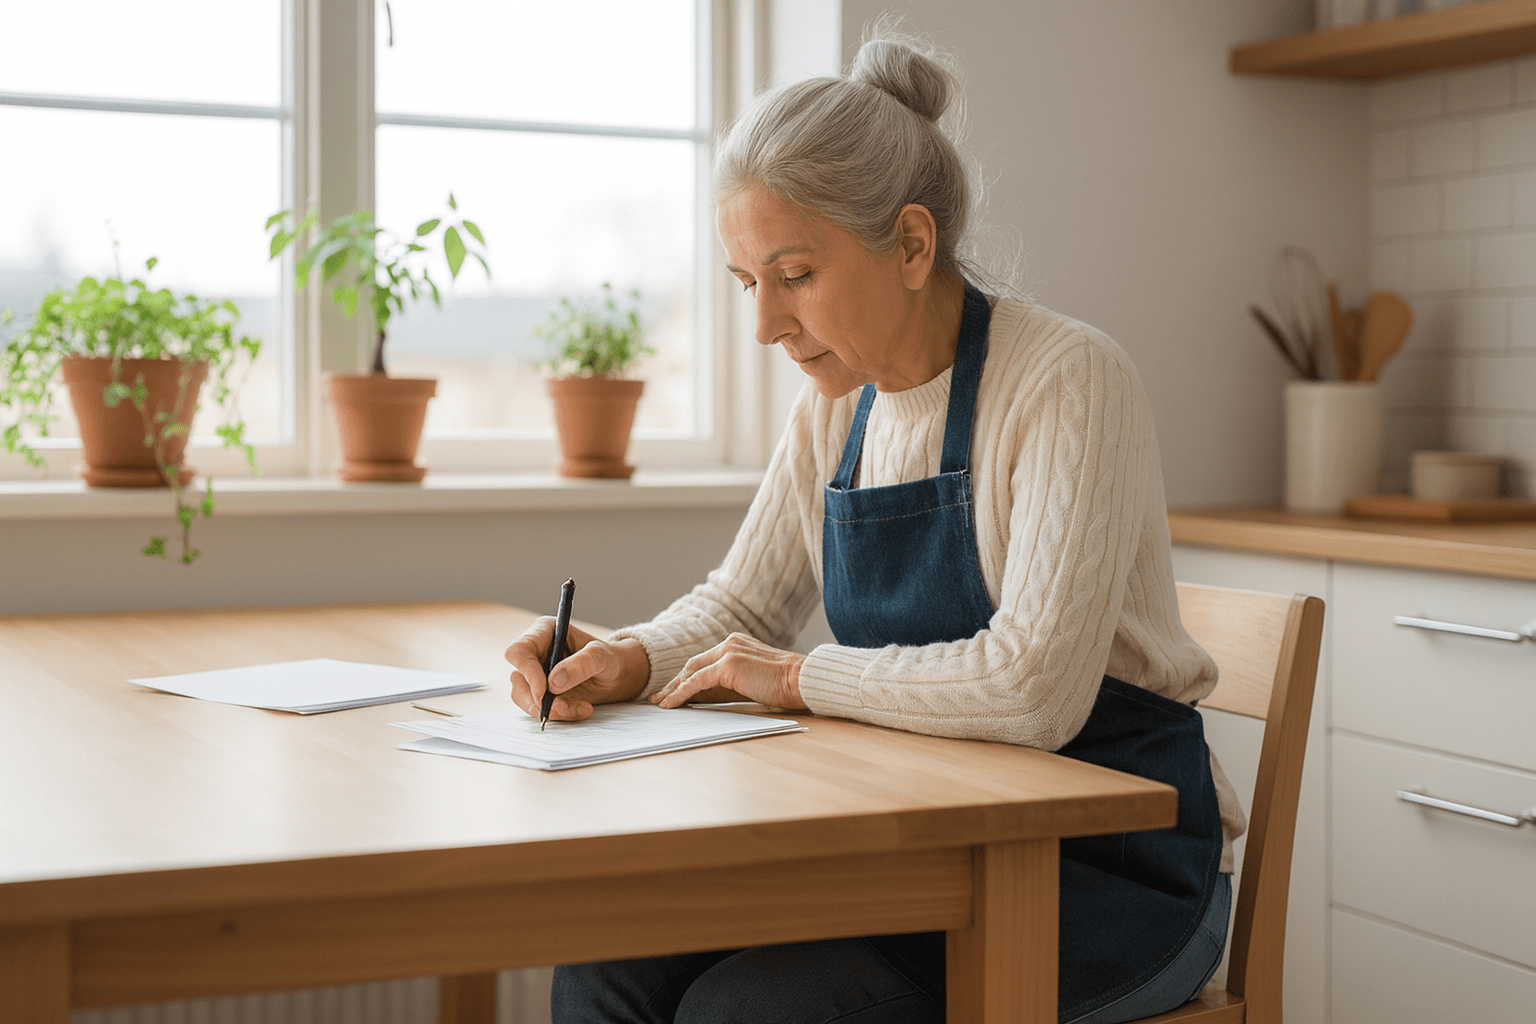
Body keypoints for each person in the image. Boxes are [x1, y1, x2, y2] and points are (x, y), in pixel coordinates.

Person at [504, 29, 1244, 1024]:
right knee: (604, 969)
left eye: (794, 274)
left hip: (1109, 876)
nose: (764, 323)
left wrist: (802, 678)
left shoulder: (1069, 380)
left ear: (910, 244)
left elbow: (1036, 689)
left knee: (748, 1010)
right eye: (745, 282)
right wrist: (627, 659)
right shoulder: (833, 405)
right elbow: (744, 602)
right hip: (928, 844)